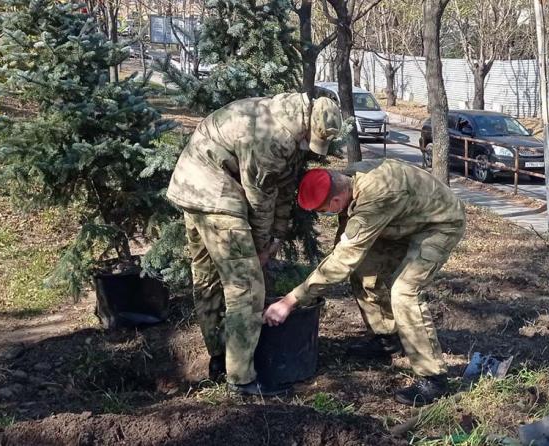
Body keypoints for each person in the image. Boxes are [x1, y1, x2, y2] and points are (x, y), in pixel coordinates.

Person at [166, 92, 342, 396]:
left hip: (188, 185)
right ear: (308, 126)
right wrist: (260, 250)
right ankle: (242, 380)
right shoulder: (273, 136)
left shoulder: (288, 119)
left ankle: (220, 358)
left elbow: (284, 189)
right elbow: (259, 199)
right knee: (246, 288)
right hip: (214, 192)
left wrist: (276, 237)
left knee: (207, 278)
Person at [263, 159, 466, 406]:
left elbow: (345, 258)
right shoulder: (348, 183)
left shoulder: (376, 195)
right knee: (363, 272)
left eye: (324, 210)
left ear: (336, 202)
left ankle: (433, 379)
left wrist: (291, 300)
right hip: (398, 221)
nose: (326, 214)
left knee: (404, 292)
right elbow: (345, 244)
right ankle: (387, 339)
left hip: (438, 223)